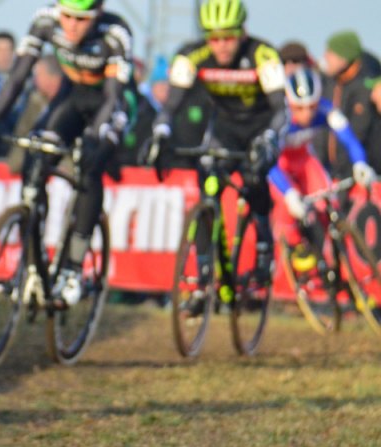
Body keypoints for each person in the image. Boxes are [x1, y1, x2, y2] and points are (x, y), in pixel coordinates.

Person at [0, 0, 133, 308]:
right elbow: (18, 77)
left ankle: (73, 268)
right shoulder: (46, 20)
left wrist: (94, 136)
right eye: (67, 16)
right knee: (35, 156)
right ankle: (31, 264)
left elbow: (113, 98)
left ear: (97, 15)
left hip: (108, 105)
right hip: (70, 99)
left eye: (81, 19)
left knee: (89, 165)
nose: (71, 25)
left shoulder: (115, 33)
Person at [146, 0, 286, 286]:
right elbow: (171, 106)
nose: (221, 45)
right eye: (214, 38)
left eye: (229, 37)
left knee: (253, 176)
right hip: (225, 129)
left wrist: (270, 137)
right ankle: (205, 272)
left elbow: (282, 110)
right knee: (207, 185)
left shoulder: (263, 54)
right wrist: (160, 132)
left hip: (262, 127)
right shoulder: (191, 55)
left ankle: (263, 241)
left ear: (243, 32)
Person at [273, 67, 375, 274]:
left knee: (327, 201)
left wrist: (360, 163)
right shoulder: (279, 119)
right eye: (298, 108)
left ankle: (331, 260)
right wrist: (289, 194)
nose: (306, 113)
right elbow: (271, 164)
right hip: (280, 165)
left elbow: (349, 139)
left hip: (304, 161)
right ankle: (294, 246)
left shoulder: (326, 110)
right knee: (287, 207)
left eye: (311, 106)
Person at [319, 31, 381, 175]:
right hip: (334, 174)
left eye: (330, 52)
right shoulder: (328, 83)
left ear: (344, 57)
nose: (325, 57)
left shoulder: (370, 86)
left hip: (367, 173)